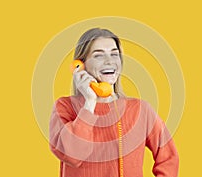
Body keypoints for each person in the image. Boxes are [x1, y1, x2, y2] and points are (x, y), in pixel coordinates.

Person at [49, 28, 179, 177]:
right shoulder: (64, 107)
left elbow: (169, 157)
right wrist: (90, 103)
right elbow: (73, 155)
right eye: (98, 55)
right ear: (81, 66)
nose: (109, 61)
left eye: (114, 54)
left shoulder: (140, 109)